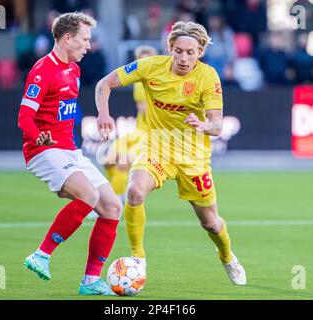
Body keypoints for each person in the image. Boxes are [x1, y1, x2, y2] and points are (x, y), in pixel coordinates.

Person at [95, 21, 246, 285]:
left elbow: (218, 125)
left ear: (200, 52)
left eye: (190, 52)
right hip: (157, 149)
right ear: (170, 49)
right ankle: (138, 259)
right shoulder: (151, 66)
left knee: (211, 223)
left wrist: (204, 125)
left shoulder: (208, 76)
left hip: (193, 157)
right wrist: (104, 114)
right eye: (178, 51)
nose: (184, 58)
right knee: (134, 192)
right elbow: (104, 84)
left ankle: (227, 257)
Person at [17, 12, 122, 295]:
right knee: (89, 195)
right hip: (43, 150)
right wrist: (36, 134)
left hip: (69, 151)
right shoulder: (42, 71)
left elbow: (62, 113)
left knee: (113, 207)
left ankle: (90, 281)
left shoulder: (73, 69)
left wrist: (101, 117)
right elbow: (24, 117)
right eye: (84, 39)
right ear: (67, 38)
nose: (88, 46)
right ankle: (41, 255)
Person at [103, 45, 158, 203]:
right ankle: (118, 197)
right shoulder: (137, 82)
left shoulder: (159, 83)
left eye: (146, 60)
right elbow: (142, 108)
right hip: (138, 132)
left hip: (152, 136)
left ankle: (111, 203)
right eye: (139, 60)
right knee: (108, 160)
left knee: (123, 162)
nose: (141, 64)